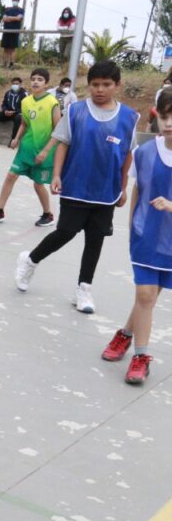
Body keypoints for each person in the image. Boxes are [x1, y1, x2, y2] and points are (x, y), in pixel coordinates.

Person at [14, 60, 139, 313]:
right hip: (76, 184)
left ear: (117, 85)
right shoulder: (75, 111)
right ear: (88, 85)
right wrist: (57, 175)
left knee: (95, 240)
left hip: (106, 191)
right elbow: (63, 144)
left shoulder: (129, 117)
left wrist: (123, 187)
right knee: (66, 232)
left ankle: (84, 289)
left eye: (106, 84)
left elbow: (127, 156)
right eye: (95, 84)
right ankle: (30, 260)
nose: (100, 89)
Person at [100, 87, 172, 384]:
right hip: (146, 236)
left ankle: (125, 334)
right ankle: (142, 357)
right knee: (144, 294)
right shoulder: (144, 152)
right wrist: (132, 230)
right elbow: (138, 191)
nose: (169, 123)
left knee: (149, 299)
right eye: (165, 116)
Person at [0, 68, 61, 226]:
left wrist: (46, 151)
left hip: (43, 151)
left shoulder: (52, 102)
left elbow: (58, 130)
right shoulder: (26, 101)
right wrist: (16, 138)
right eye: (33, 78)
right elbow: (25, 123)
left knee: (38, 184)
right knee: (11, 175)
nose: (35, 81)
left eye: (40, 79)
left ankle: (48, 214)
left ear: (46, 84)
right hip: (26, 148)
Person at [0, 76, 27, 144]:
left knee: (18, 119)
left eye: (17, 84)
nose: (15, 85)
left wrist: (15, 112)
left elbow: (25, 107)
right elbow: (4, 104)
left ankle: (13, 139)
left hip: (17, 113)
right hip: (7, 112)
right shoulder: (8, 93)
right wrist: (5, 110)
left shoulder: (24, 94)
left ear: (20, 85)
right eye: (13, 84)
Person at [0, 0, 24, 69]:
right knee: (5, 48)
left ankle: (11, 64)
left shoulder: (20, 10)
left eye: (16, 0)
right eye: (13, 0)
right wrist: (13, 18)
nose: (14, 1)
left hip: (14, 31)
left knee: (12, 49)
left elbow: (18, 18)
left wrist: (9, 17)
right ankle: (4, 64)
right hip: (6, 31)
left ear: (18, 1)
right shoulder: (7, 9)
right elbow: (4, 19)